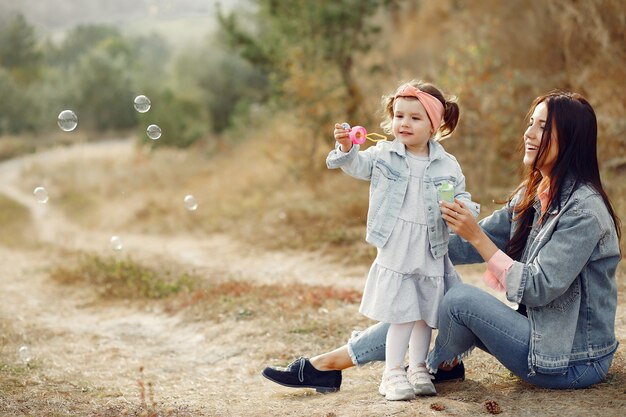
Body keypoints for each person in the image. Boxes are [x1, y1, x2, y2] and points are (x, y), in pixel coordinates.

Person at [262, 90, 622, 393]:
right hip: (543, 340)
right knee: (417, 290)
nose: (529, 133)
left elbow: (539, 288)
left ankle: (433, 365)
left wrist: (476, 236)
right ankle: (328, 364)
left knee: (456, 298)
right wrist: (410, 242)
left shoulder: (583, 211)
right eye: (531, 122)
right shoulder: (536, 194)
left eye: (544, 127)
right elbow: (460, 244)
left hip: (574, 360)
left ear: (570, 139)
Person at [265, 80, 479, 401]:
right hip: (397, 244)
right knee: (402, 312)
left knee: (424, 313)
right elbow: (357, 166)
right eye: (399, 116)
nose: (404, 123)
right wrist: (348, 149)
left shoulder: (447, 164)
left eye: (415, 118)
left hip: (431, 245)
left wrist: (465, 208)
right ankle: (392, 373)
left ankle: (418, 367)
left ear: (434, 125)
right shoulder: (384, 154)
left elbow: (461, 194)